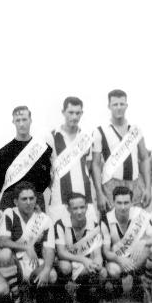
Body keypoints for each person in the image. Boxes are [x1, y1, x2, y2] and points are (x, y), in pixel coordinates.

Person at [0, 181, 58, 303]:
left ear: (36, 200)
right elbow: (2, 242)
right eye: (24, 199)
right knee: (4, 254)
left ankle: (31, 293)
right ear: (15, 201)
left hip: (33, 263)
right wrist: (26, 247)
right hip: (15, 264)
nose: (28, 202)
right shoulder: (9, 213)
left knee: (52, 274)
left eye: (31, 198)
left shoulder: (44, 219)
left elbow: (49, 249)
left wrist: (46, 269)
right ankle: (15, 295)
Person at [100, 186, 152, 303]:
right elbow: (106, 251)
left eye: (126, 202)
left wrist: (144, 241)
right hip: (119, 259)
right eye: (119, 203)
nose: (123, 207)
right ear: (113, 202)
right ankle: (116, 284)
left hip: (137, 257)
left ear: (131, 203)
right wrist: (120, 260)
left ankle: (144, 285)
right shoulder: (106, 220)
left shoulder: (141, 215)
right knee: (113, 270)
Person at [92, 89, 152, 214]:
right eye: (115, 104)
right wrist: (99, 193)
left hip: (134, 184)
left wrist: (148, 188)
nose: (119, 108)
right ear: (109, 106)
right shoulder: (100, 131)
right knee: (112, 227)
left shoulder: (135, 130)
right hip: (110, 185)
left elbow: (145, 158)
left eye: (121, 104)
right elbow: (96, 165)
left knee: (135, 225)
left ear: (126, 105)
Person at [47, 97, 98, 226]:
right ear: (63, 112)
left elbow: (89, 167)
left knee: (88, 237)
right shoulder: (52, 136)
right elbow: (46, 171)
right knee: (60, 238)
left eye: (78, 113)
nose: (74, 117)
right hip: (59, 198)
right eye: (71, 112)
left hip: (84, 197)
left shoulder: (86, 137)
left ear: (82, 113)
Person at [0, 106, 52, 211]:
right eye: (18, 120)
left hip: (35, 202)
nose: (21, 124)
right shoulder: (4, 152)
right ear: (13, 122)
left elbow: (47, 179)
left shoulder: (43, 149)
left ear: (30, 120)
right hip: (10, 204)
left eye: (24, 119)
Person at [55, 193, 106, 303]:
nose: (79, 211)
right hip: (68, 261)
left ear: (87, 207)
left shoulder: (94, 226)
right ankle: (63, 291)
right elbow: (61, 253)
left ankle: (82, 290)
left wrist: (97, 265)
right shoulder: (61, 224)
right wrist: (83, 260)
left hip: (84, 266)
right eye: (75, 208)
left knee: (102, 272)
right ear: (68, 209)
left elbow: (97, 254)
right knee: (65, 267)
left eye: (82, 207)